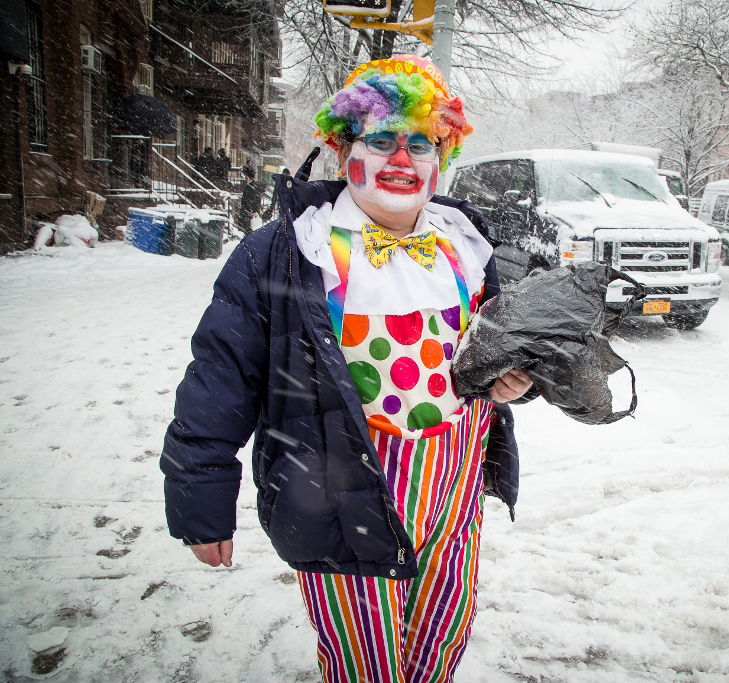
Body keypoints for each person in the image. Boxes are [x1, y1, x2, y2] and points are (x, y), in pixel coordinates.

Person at [161, 54, 534, 683]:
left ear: (442, 157)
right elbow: (222, 374)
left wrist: (511, 383)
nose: (401, 158)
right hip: (338, 482)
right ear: (342, 150)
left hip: (455, 482)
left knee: (443, 631)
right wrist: (201, 494)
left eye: (421, 143)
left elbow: (496, 353)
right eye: (381, 139)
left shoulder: (466, 245)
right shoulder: (288, 250)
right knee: (366, 656)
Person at [237, 165, 263, 235]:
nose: (244, 178)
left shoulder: (251, 187)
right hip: (248, 211)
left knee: (248, 230)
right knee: (247, 229)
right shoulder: (252, 185)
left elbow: (256, 199)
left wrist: (255, 210)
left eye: (245, 176)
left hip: (248, 212)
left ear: (247, 177)